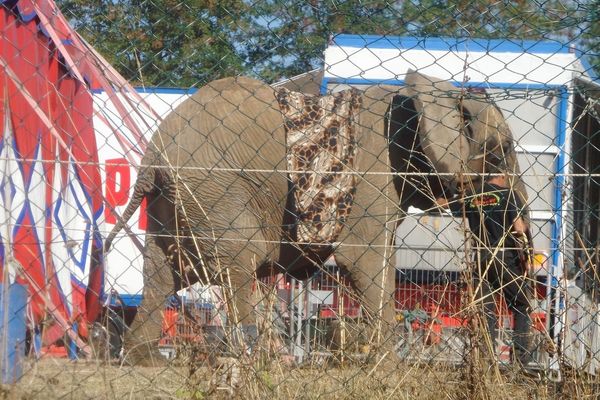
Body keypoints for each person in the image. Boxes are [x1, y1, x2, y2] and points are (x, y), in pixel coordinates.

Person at [436, 171, 535, 367]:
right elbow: (518, 229)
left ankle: (485, 359)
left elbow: (442, 205)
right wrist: (524, 225)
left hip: (480, 257)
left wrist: (447, 190)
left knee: (486, 310)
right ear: (502, 175)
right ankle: (520, 360)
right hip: (505, 258)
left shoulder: (473, 196)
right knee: (521, 305)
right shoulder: (509, 194)